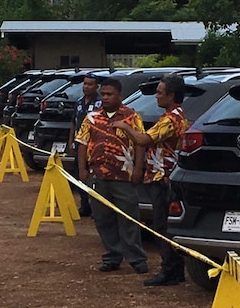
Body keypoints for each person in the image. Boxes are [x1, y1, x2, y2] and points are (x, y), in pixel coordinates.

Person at [112, 73, 187, 286]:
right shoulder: (174, 116)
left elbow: (144, 139)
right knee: (161, 223)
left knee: (162, 225)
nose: (156, 96)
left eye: (160, 93)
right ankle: (173, 268)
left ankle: (170, 269)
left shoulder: (171, 119)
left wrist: (125, 127)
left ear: (171, 96)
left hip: (163, 176)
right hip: (160, 174)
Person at [76, 77, 148, 274]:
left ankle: (137, 259)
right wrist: (82, 170)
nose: (105, 98)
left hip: (124, 176)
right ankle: (112, 256)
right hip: (98, 176)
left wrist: (138, 169)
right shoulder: (92, 117)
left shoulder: (132, 117)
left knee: (129, 218)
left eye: (110, 94)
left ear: (119, 96)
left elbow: (140, 144)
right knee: (102, 218)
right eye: (103, 94)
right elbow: (82, 143)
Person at [68, 72, 101, 217]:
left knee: (94, 176)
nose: (86, 87)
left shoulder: (100, 104)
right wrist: (71, 141)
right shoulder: (79, 102)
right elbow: (74, 123)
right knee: (79, 174)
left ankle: (96, 207)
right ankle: (84, 204)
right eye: (85, 83)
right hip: (80, 145)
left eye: (90, 84)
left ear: (97, 86)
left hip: (93, 146)